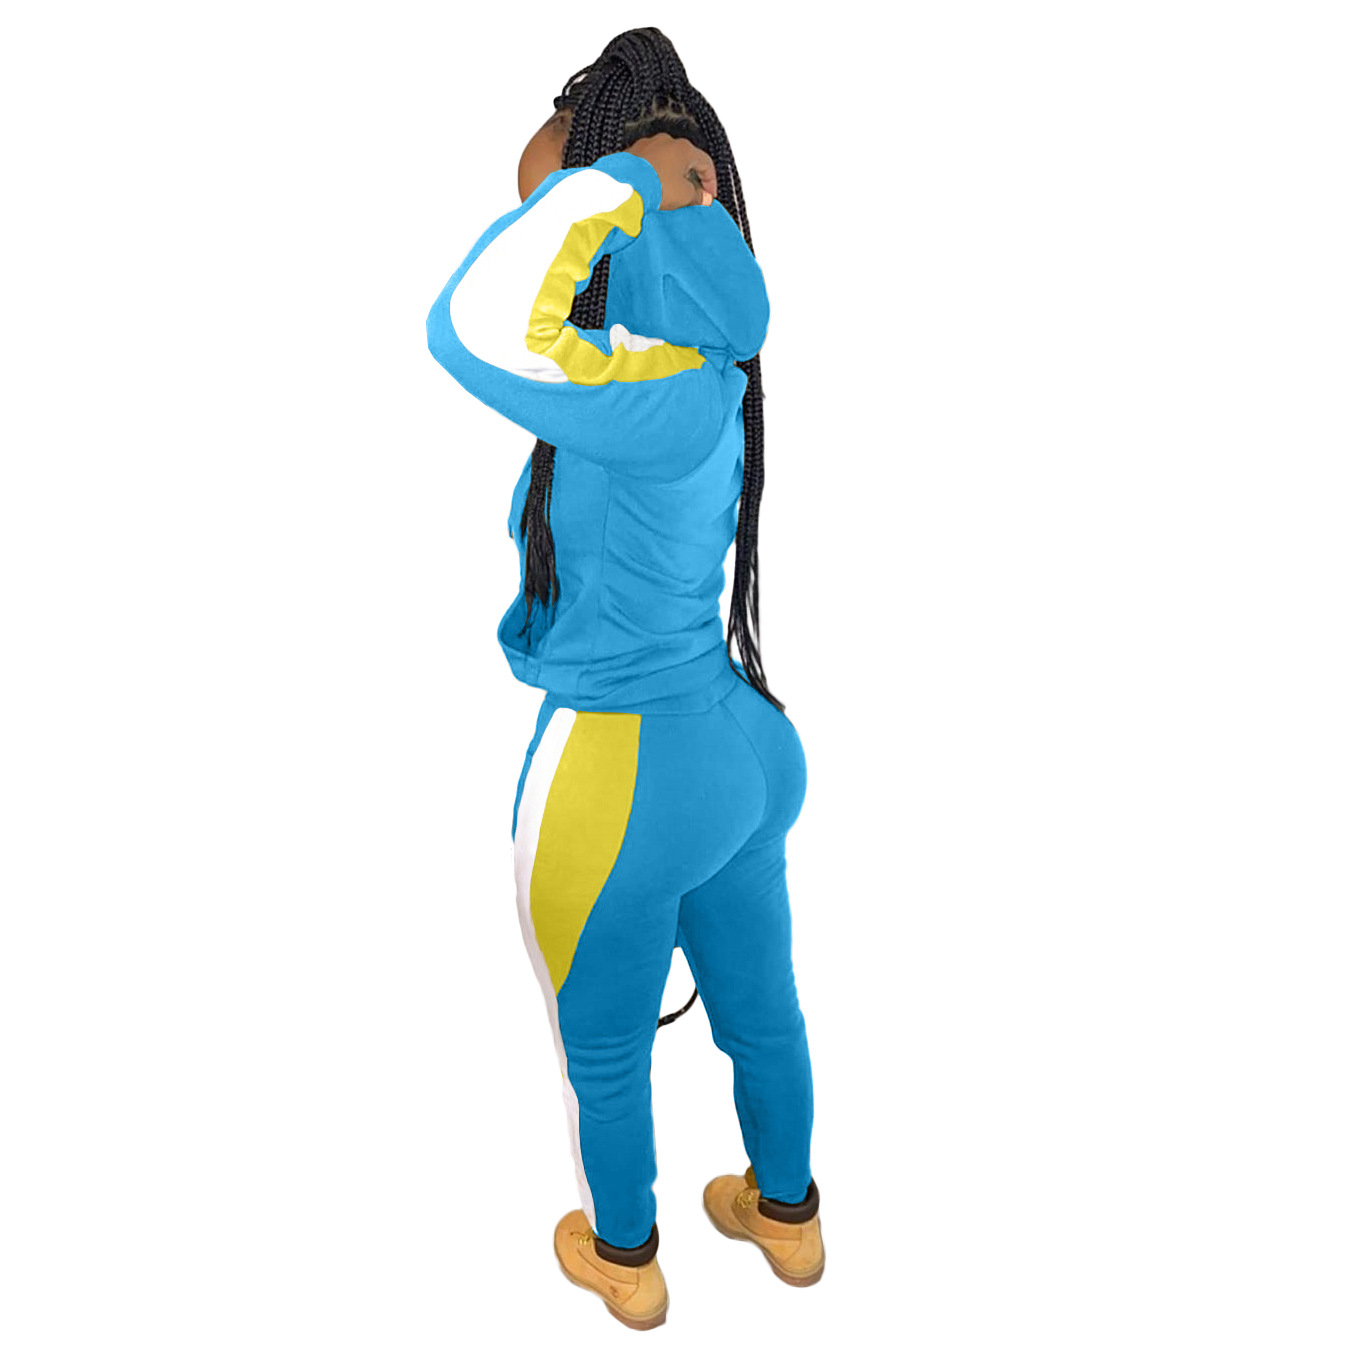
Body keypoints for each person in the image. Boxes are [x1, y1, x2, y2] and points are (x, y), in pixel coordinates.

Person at [426, 27, 823, 1331]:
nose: (538, 227)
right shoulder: (708, 365)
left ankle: (626, 1258)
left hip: (620, 771)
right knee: (762, 1012)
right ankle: (786, 1217)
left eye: (549, 206)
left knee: (600, 1050)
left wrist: (623, 177)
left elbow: (469, 323)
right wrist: (657, 181)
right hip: (737, 747)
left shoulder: (634, 389)